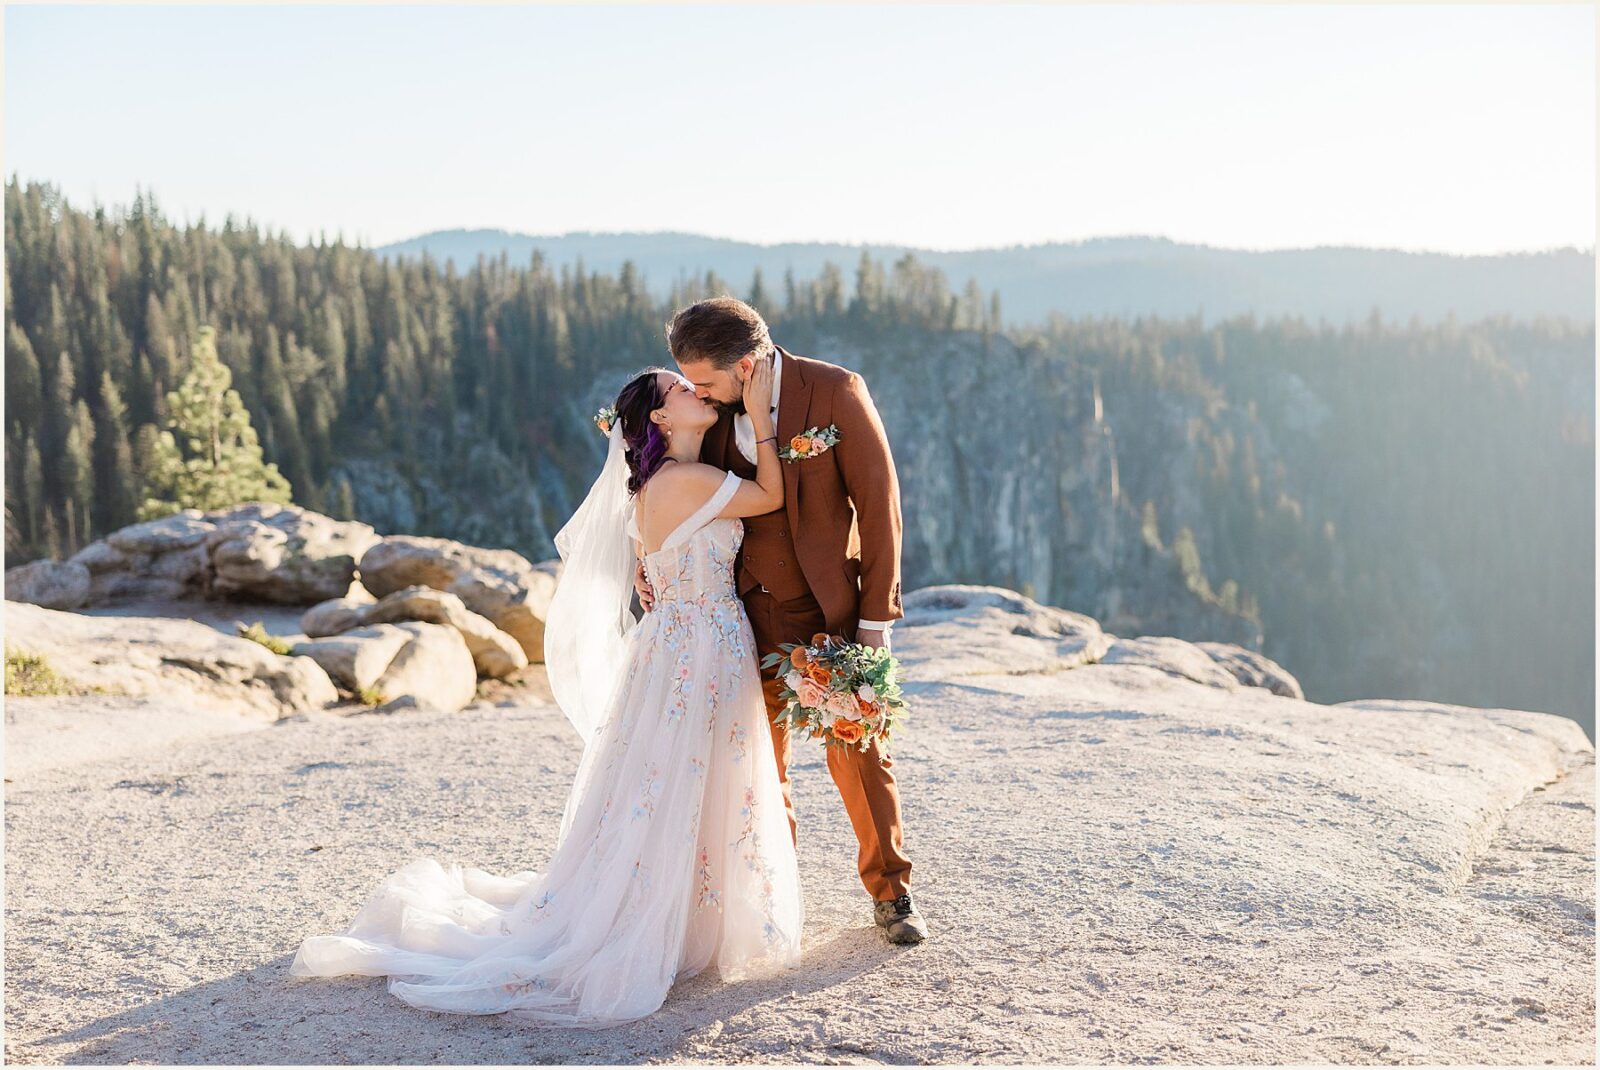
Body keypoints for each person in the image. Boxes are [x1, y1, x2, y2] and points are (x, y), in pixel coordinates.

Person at [287, 358, 805, 1027]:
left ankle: (684, 913)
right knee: (690, 775)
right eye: (681, 389)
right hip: (700, 646)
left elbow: (657, 564)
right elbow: (770, 495)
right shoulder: (684, 481)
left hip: (682, 643)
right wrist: (761, 412)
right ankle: (684, 918)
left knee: (673, 778)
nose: (695, 390)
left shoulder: (658, 485)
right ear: (658, 418)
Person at [638, 296, 929, 945]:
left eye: (704, 381)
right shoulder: (709, 414)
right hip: (739, 613)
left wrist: (876, 620)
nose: (696, 393)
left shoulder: (833, 391)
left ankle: (893, 893)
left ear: (745, 366)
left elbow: (881, 508)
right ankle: (774, 901)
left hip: (826, 612)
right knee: (757, 767)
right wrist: (647, 559)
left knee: (857, 749)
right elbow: (663, 478)